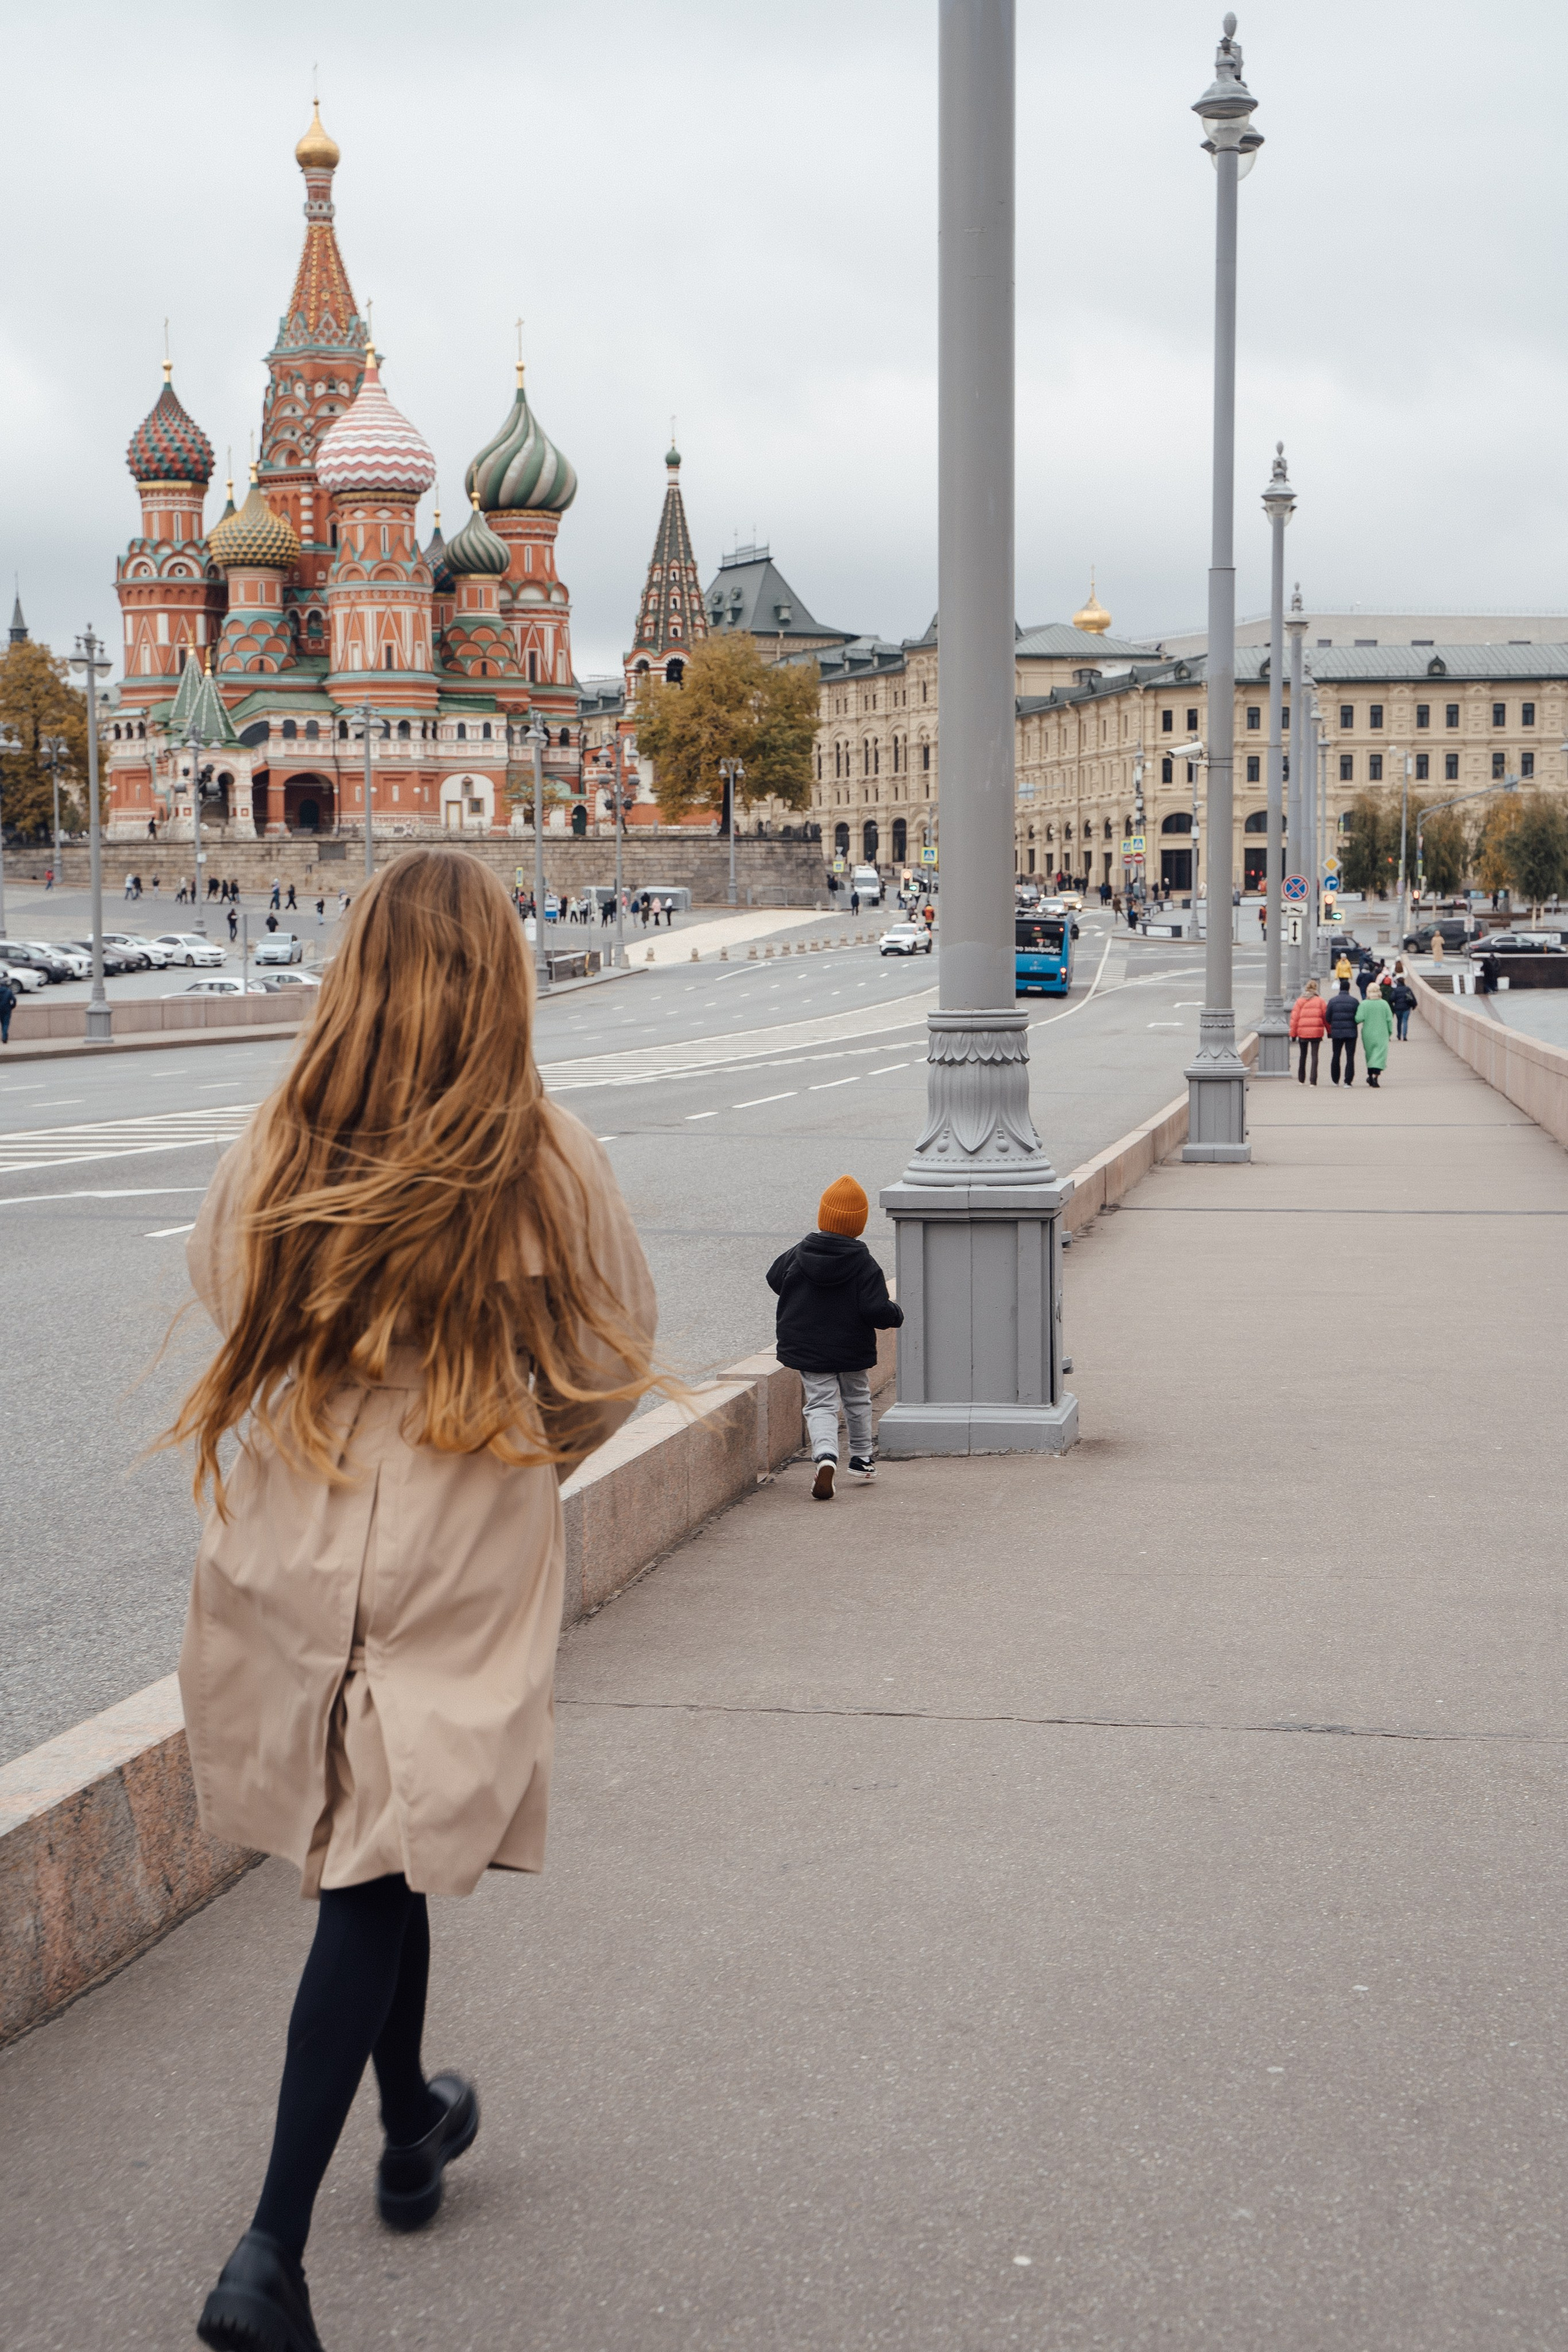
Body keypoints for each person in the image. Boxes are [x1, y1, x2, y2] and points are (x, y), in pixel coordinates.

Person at [168, 851, 660, 2352]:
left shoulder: (277, 1140)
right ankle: (267, 2251)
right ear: (502, 975)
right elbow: (609, 1359)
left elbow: (218, 1284)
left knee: (374, 1838)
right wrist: (511, 1452)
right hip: (453, 1513)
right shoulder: (542, 1150)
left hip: (296, 1510)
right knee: (383, 1857)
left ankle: (407, 2123)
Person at [767, 1177, 903, 1501]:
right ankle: (861, 1458)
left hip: (807, 1345)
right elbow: (875, 1309)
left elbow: (774, 1278)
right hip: (850, 1345)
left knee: (820, 1402)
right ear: (859, 1224)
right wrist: (894, 1313)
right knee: (857, 1397)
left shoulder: (799, 1252)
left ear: (823, 1216)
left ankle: (825, 1456)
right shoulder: (863, 1262)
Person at [1288, 978, 1327, 1084]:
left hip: (1302, 1033)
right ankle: (1313, 1081)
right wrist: (1330, 1031)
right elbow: (1325, 1018)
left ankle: (1301, 1079)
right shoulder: (1320, 1001)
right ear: (1316, 988)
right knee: (1315, 1056)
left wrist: (1293, 1034)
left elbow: (1294, 1019)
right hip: (1316, 1033)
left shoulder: (1300, 1001)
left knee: (1303, 1055)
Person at [1356, 979, 1393, 1088]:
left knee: (1370, 1054)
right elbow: (1389, 1020)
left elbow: (1358, 1018)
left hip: (1368, 1033)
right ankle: (1376, 1077)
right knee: (1380, 1055)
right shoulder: (1384, 1004)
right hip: (1382, 1033)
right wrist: (1389, 1032)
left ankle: (1370, 1075)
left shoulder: (1364, 1004)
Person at [1325, 977, 1360, 1085]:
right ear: (1349, 989)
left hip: (1337, 1033)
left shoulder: (1332, 1001)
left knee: (1336, 1055)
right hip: (1351, 1033)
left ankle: (1335, 1080)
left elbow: (1327, 1018)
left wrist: (1334, 1024)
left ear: (1340, 988)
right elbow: (1358, 1017)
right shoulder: (1354, 1001)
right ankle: (1348, 1081)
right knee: (1350, 1057)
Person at [1389, 970, 1417, 1041]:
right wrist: (1414, 1005)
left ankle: (1399, 1035)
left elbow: (1392, 999)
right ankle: (1404, 1036)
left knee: (1399, 1021)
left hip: (1398, 1008)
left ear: (1398, 982)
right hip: (1407, 1008)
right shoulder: (1407, 989)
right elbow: (1412, 998)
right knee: (1405, 1021)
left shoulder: (1395, 990)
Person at [0, 973, 15, 1045]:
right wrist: (12, 1007)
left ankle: (4, 1036)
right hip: (7, 1010)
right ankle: (4, 1037)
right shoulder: (9, 991)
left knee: (2, 1023)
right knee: (6, 1024)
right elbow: (14, 1000)